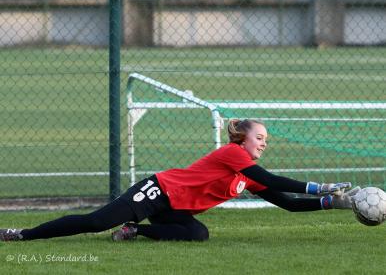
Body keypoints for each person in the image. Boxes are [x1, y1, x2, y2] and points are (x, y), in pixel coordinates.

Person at [0, 119, 359, 242]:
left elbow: (288, 203)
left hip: (174, 209)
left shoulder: (245, 176)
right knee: (95, 222)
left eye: (266, 139)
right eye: (260, 137)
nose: (263, 142)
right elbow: (269, 177)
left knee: (197, 234)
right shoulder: (234, 154)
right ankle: (21, 235)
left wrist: (334, 203)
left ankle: (134, 231)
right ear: (242, 139)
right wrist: (321, 186)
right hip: (157, 190)